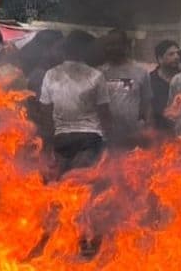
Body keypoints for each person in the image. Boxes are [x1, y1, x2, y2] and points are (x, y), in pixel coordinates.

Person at [40, 30, 112, 173]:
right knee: (82, 182)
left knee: (62, 184)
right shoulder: (97, 75)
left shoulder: (51, 74)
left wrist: (48, 141)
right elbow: (104, 112)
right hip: (90, 138)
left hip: (62, 138)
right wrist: (109, 140)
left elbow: (45, 111)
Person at [100, 30, 151, 147]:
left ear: (125, 45)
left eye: (116, 44)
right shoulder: (99, 73)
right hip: (106, 137)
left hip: (133, 136)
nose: (112, 48)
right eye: (109, 44)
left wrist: (147, 128)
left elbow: (147, 104)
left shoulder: (141, 72)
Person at [148, 40, 180, 130]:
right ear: (160, 59)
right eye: (171, 54)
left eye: (178, 53)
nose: (177, 57)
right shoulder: (150, 80)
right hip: (157, 133)